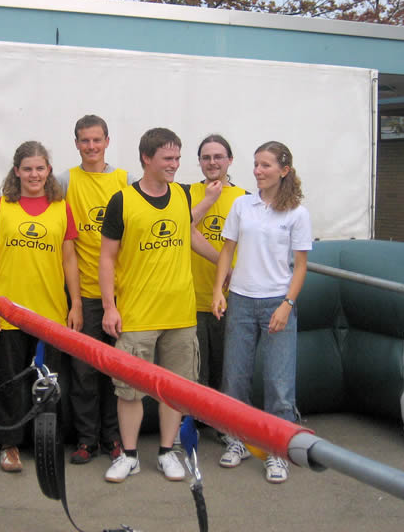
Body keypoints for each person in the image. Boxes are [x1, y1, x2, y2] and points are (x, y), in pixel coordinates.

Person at [99, 127, 219, 484]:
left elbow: (189, 233)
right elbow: (107, 258)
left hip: (180, 313)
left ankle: (168, 452)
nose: (175, 164)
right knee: (129, 391)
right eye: (168, 158)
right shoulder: (122, 201)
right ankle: (130, 456)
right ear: (146, 158)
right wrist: (109, 307)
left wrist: (223, 265)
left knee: (175, 390)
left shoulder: (182, 195)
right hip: (137, 315)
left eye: (178, 158)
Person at [0, 140, 82, 473]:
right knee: (9, 380)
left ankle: (44, 442)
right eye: (27, 169)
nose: (34, 174)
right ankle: (8, 445)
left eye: (40, 168)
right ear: (17, 171)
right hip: (8, 313)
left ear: (48, 170)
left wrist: (76, 304)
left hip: (49, 313)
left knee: (47, 383)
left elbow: (69, 259)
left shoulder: (61, 208)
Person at [211, 141, 311, 484]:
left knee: (278, 382)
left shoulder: (297, 213)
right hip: (240, 300)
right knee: (234, 377)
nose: (258, 171)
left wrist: (287, 304)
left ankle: (277, 450)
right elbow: (227, 250)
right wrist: (218, 290)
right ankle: (236, 440)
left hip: (277, 303)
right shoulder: (242, 204)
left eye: (265, 165)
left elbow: (300, 267)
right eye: (255, 164)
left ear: (284, 170)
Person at [56, 115, 135, 465]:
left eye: (97, 140)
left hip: (121, 294)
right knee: (84, 372)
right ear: (76, 143)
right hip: (84, 293)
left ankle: (113, 438)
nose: (91, 146)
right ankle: (87, 440)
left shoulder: (125, 181)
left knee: (118, 371)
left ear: (107, 141)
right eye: (84, 140)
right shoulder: (65, 181)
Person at [189, 136, 247, 393]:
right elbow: (183, 227)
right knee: (195, 375)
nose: (212, 162)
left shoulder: (244, 198)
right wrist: (209, 200)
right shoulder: (186, 193)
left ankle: (228, 419)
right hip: (191, 300)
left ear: (230, 160)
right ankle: (193, 418)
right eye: (206, 157)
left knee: (227, 373)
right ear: (199, 161)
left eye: (218, 157)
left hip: (230, 300)